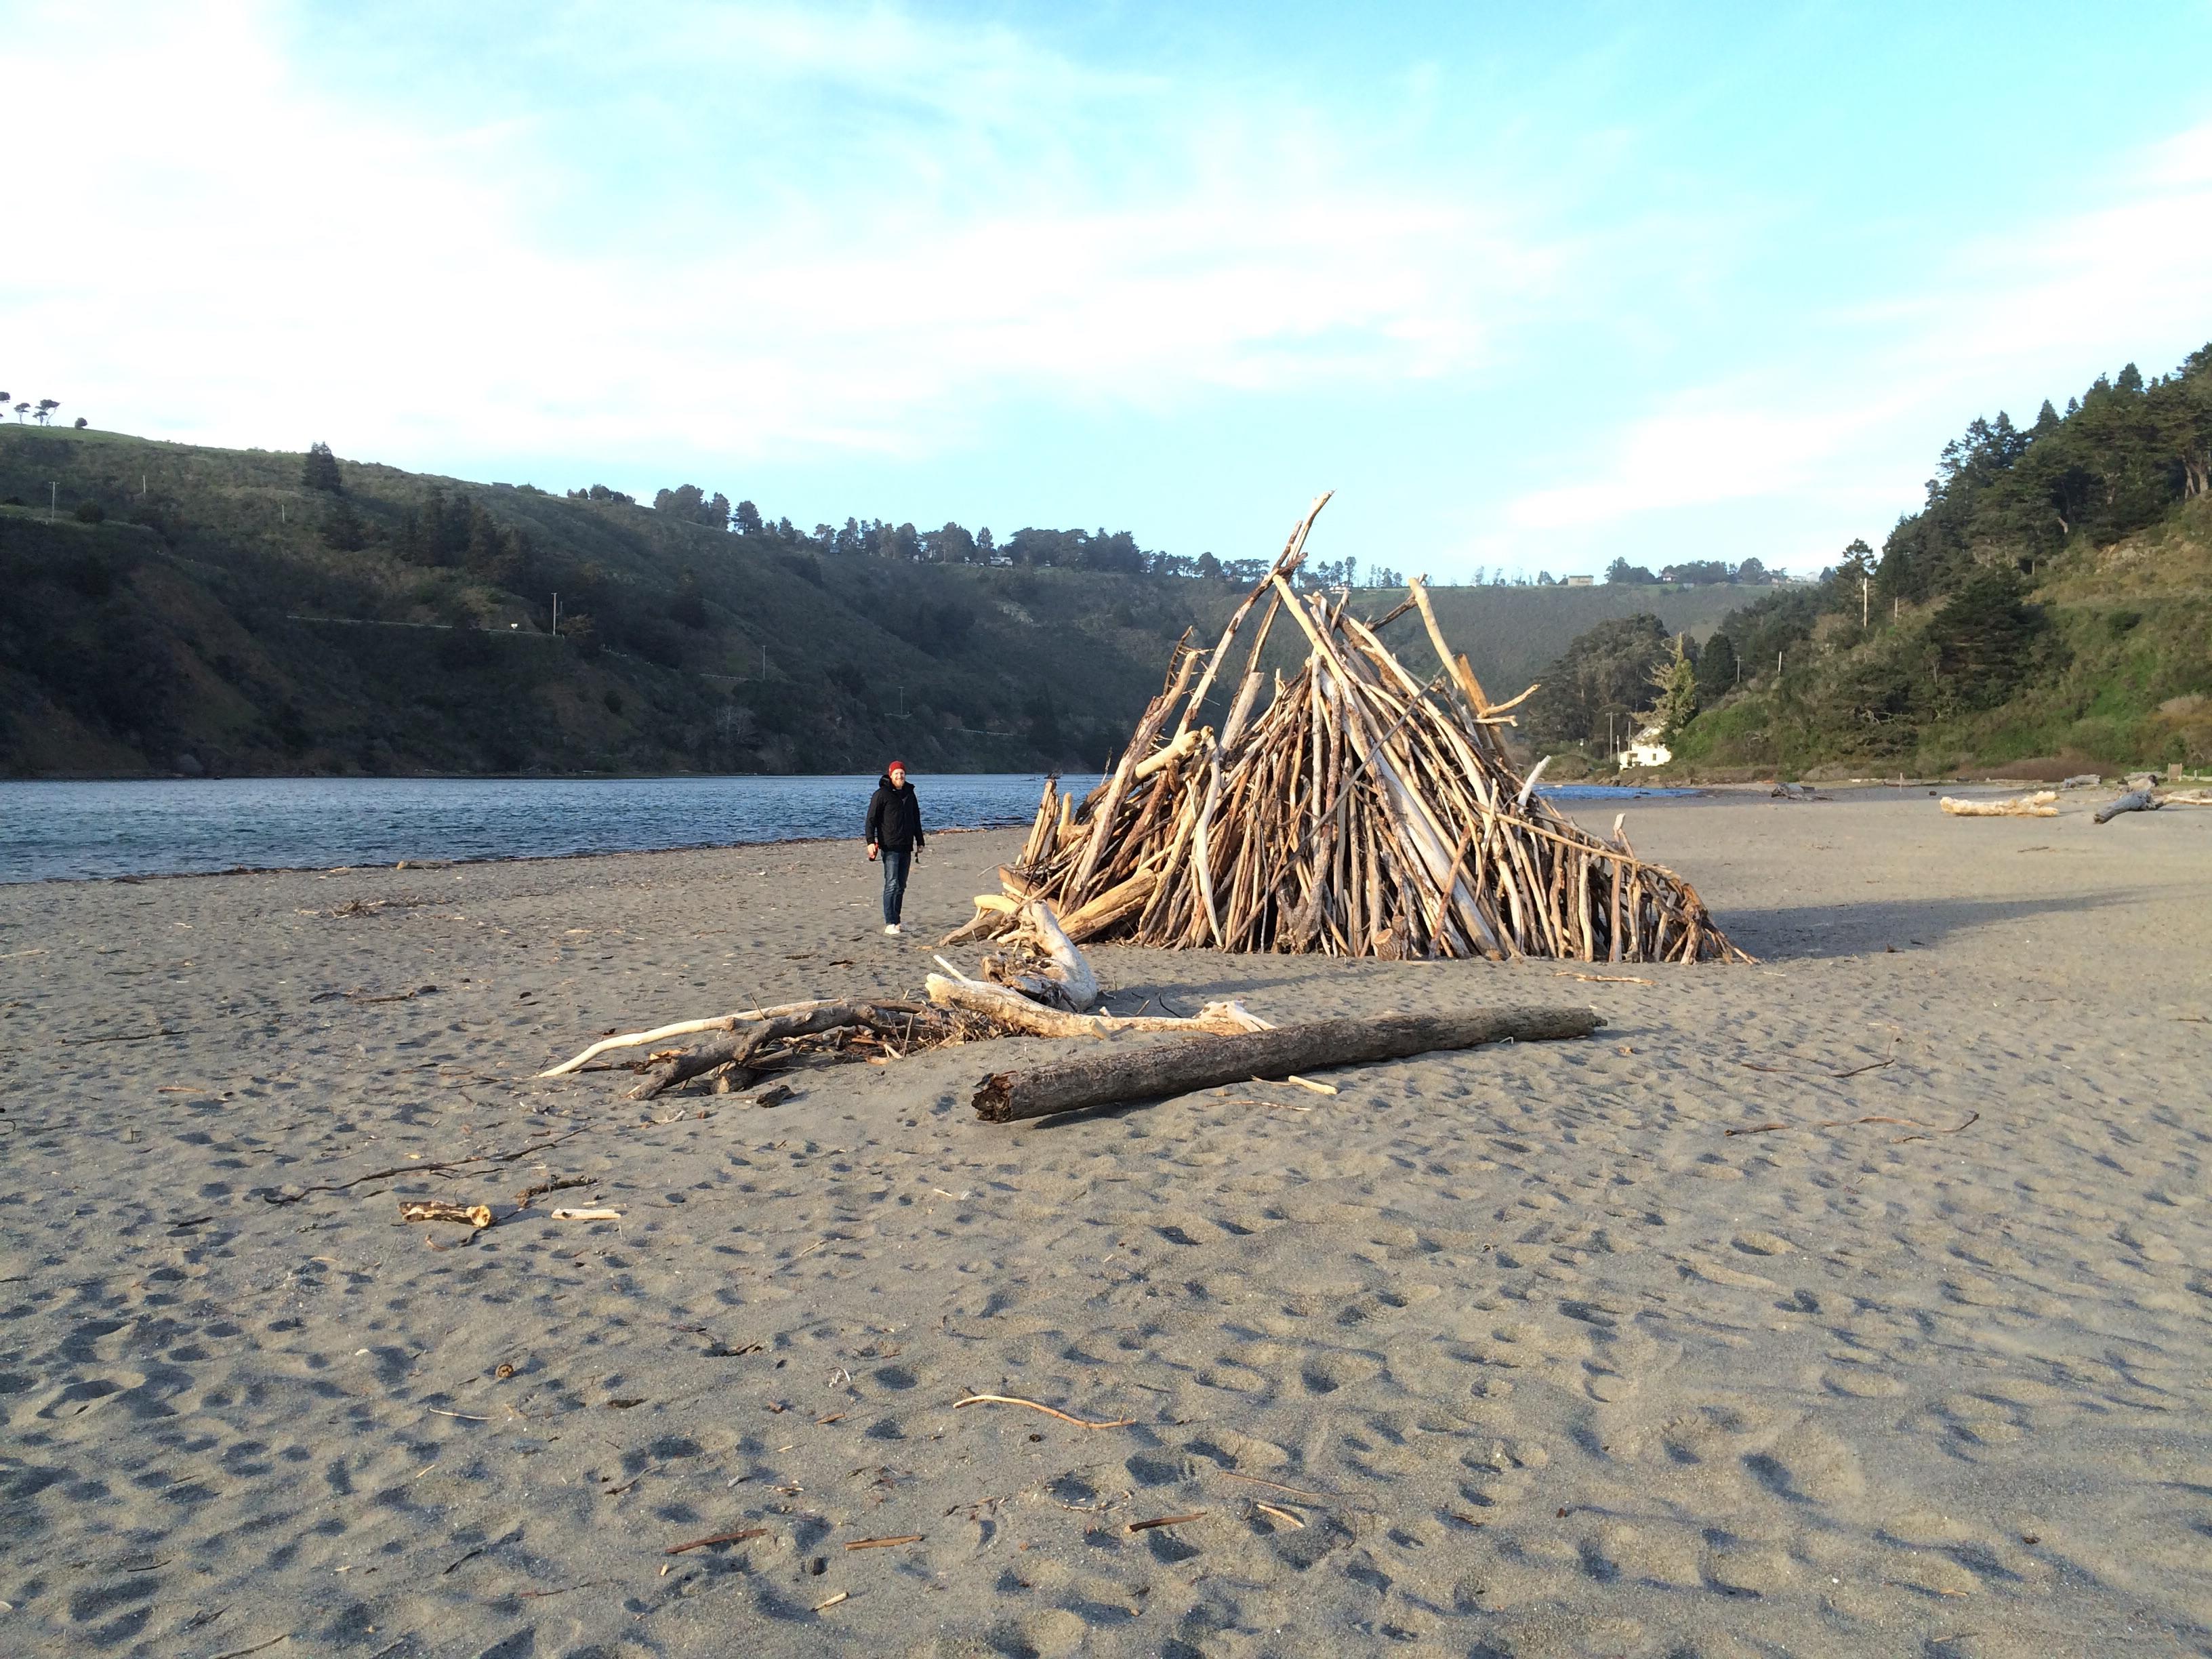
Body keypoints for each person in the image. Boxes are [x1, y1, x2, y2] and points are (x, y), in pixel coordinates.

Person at [864, 761, 924, 935]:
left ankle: (897, 922)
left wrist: (920, 841)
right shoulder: (881, 794)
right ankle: (889, 922)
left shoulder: (910, 794)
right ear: (891, 775)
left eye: (902, 774)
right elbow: (871, 820)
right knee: (892, 884)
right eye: (897, 774)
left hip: (906, 846)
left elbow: (916, 819)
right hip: (889, 846)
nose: (900, 777)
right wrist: (870, 842)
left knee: (901, 886)